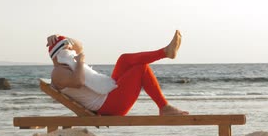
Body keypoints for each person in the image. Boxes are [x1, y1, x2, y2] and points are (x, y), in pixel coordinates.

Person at [46, 30, 188, 116]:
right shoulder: (58, 72)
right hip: (109, 105)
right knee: (141, 69)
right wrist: (81, 61)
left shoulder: (67, 64)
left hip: (107, 96)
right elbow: (78, 82)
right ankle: (164, 107)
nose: (71, 52)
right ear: (58, 55)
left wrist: (65, 39)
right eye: (67, 49)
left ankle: (165, 52)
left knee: (124, 59)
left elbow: (80, 46)